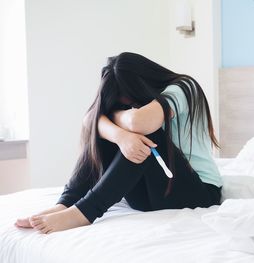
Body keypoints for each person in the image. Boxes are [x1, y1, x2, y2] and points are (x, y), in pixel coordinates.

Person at [15, 52, 223, 234]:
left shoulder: (184, 88)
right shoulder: (137, 109)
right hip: (152, 196)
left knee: (148, 135)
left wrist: (115, 122)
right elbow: (90, 119)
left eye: (132, 102)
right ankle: (66, 204)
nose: (131, 107)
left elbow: (138, 121)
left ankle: (85, 212)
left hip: (198, 193)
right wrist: (120, 137)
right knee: (111, 136)